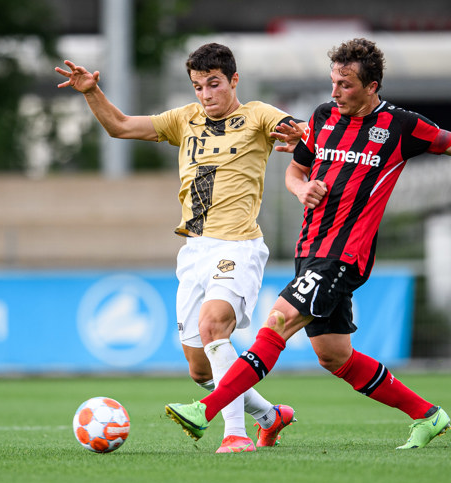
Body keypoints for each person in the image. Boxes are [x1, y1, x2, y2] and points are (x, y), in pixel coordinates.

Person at [165, 38, 451, 450]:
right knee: (335, 357)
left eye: (345, 85)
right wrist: (301, 189)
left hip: (345, 255)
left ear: (372, 87)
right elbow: (295, 170)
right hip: (309, 251)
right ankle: (428, 415)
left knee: (276, 322)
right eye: (333, 82)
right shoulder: (323, 116)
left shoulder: (401, 126)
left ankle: (208, 410)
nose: (335, 92)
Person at [55, 43, 303, 453]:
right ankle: (268, 415)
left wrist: (299, 136)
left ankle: (235, 435)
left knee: (213, 326)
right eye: (198, 86)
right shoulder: (184, 120)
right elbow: (119, 126)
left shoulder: (258, 114)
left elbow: (298, 130)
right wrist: (90, 92)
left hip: (238, 245)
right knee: (200, 368)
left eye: (214, 84)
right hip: (194, 252)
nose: (206, 95)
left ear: (233, 80)